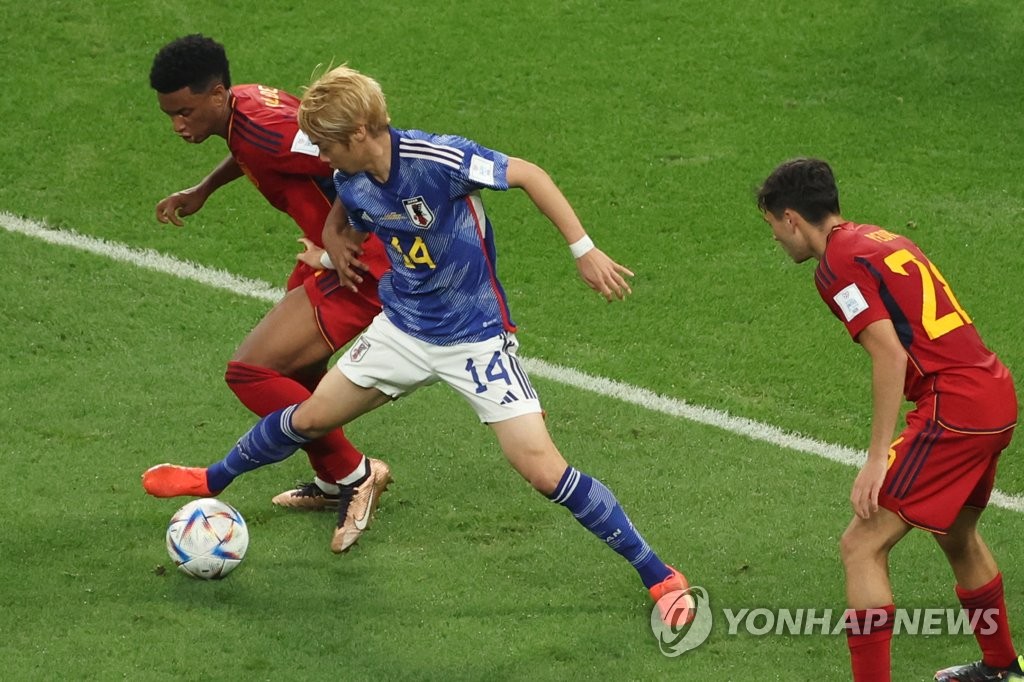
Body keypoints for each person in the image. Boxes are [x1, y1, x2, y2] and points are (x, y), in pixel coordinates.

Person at [143, 64, 694, 626]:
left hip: (475, 341)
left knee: (542, 469)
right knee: (308, 417)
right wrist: (334, 249)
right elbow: (344, 216)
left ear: (359, 132)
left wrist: (584, 251)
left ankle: (660, 577)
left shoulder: (439, 160)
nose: (324, 161)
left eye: (329, 147)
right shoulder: (353, 177)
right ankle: (212, 478)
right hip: (401, 330)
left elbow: (531, 174)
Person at [757, 158, 1022, 682]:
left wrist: (877, 457)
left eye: (772, 228)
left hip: (954, 408)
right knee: (957, 534)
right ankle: (1003, 668)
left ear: (791, 218)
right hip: (994, 395)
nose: (776, 241)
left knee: (861, 544)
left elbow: (890, 355)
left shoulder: (836, 265)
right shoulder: (881, 238)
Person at [144, 35, 393, 553]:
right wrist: (203, 189)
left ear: (216, 94)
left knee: (252, 372)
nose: (177, 125)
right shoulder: (246, 107)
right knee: (299, 373)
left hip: (359, 266)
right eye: (170, 114)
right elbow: (254, 152)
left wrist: (335, 238)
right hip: (330, 256)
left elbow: (355, 162)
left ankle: (356, 473)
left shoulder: (267, 130)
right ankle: (332, 482)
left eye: (185, 112)